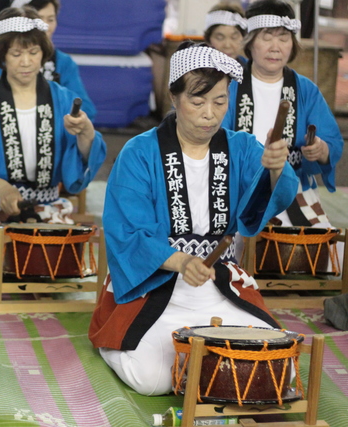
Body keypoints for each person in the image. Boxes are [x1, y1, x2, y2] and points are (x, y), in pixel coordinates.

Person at [88, 42, 299, 396]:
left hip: (219, 286)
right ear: (174, 97)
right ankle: (115, 345)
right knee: (152, 379)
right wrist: (183, 261)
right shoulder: (139, 153)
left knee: (279, 369)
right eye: (198, 102)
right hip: (157, 283)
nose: (210, 115)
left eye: (220, 101)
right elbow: (129, 233)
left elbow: (273, 196)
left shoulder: (243, 147)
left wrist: (277, 168)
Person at [0, 6, 106, 273]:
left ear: (43, 54)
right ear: (2, 58)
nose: (26, 62)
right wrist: (4, 190)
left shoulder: (62, 99)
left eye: (33, 53)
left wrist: (86, 132)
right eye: (16, 54)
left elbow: (80, 162)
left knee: (59, 262)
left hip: (47, 206)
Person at [222, 0, 343, 228]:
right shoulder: (228, 86)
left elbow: (332, 142)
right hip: (235, 186)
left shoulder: (305, 89)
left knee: (318, 250)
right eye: (267, 38)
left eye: (284, 38)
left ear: (292, 44)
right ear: (250, 43)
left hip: (293, 187)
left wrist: (321, 149)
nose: (275, 47)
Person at [0, 0, 97, 121]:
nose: (45, 27)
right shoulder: (5, 62)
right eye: (39, 19)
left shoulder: (64, 62)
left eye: (51, 19)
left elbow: (85, 109)